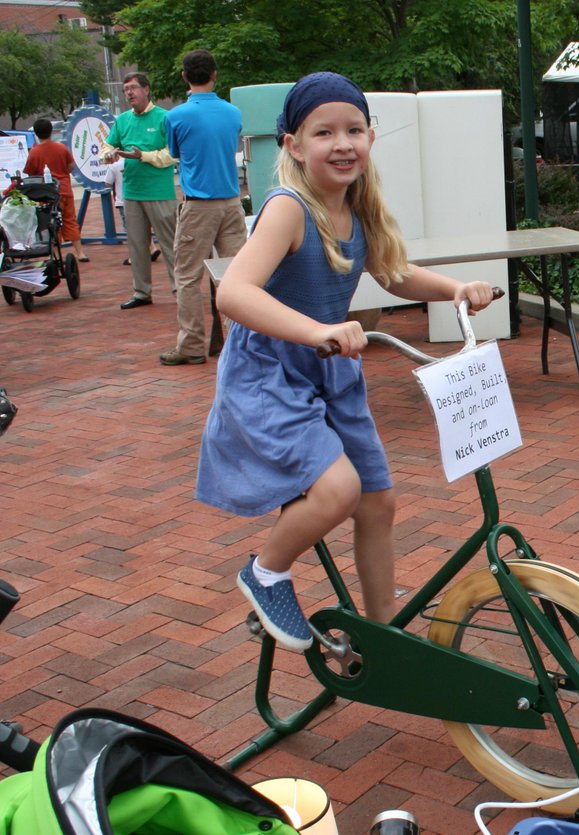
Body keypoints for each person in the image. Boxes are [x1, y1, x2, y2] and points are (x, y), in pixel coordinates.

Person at [194, 72, 495, 651]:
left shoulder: (359, 209)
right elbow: (232, 293)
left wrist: (455, 289)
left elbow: (394, 274)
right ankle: (265, 571)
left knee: (378, 501)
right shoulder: (288, 209)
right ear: (293, 146)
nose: (342, 143)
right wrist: (318, 331)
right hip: (272, 377)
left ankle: (386, 634)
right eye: (324, 132)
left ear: (371, 138)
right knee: (339, 491)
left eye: (354, 129)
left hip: (330, 372)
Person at [161, 49, 247, 366]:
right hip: (232, 203)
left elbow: (174, 152)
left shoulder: (175, 116)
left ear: (185, 76)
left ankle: (192, 345)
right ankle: (240, 344)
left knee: (187, 277)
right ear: (215, 74)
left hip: (198, 206)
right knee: (235, 276)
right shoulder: (233, 113)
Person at [101, 72, 178, 310]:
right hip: (131, 192)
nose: (129, 93)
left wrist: (141, 156)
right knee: (136, 245)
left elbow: (172, 154)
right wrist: (108, 153)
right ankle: (141, 291)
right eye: (126, 90)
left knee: (170, 244)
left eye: (134, 88)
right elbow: (108, 144)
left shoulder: (164, 118)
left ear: (147, 89)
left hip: (159, 192)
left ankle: (180, 288)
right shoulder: (122, 120)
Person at [22, 118, 87, 263]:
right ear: (51, 131)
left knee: (51, 222)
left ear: (36, 134)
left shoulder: (34, 152)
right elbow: (71, 166)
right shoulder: (61, 148)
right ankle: (80, 252)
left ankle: (55, 254)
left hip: (46, 193)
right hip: (64, 190)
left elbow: (30, 174)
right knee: (70, 220)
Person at [102, 162, 162, 266]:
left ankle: (135, 257)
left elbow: (107, 183)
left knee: (131, 231)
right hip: (141, 198)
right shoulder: (139, 161)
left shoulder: (115, 165)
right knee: (143, 226)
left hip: (123, 200)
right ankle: (152, 248)